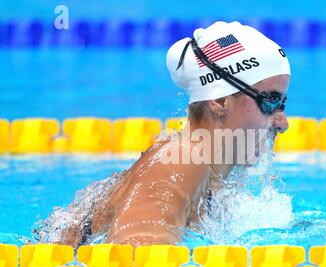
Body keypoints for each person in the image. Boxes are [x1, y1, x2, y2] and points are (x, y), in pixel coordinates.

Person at [59, 21, 291, 247]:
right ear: (220, 101)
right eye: (270, 102)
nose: (283, 124)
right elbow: (134, 258)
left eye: (283, 104)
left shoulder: (209, 178)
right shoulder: (181, 161)